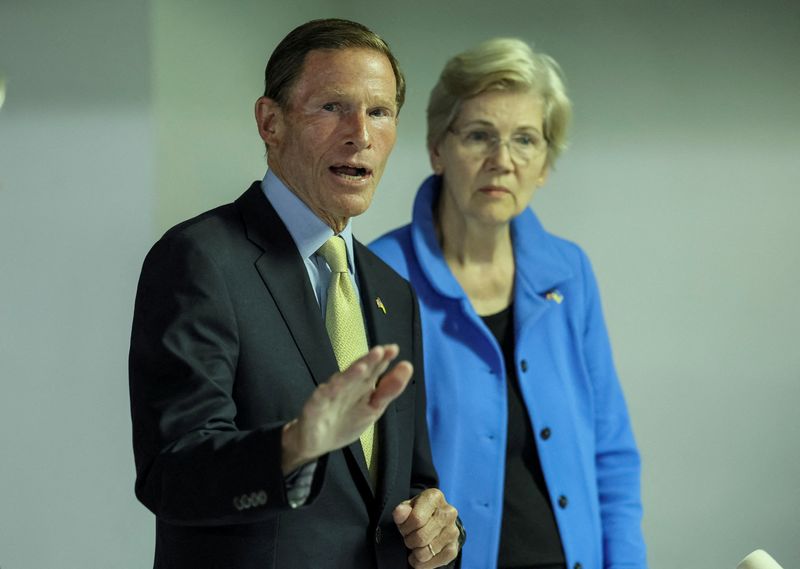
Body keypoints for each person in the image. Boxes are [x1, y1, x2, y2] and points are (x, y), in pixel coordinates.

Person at [129, 18, 464, 569]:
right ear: (270, 121)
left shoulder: (392, 291)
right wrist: (293, 445)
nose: (360, 132)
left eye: (379, 112)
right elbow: (173, 473)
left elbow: (408, 486)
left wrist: (438, 532)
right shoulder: (200, 260)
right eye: (332, 107)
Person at [370, 38, 647, 569]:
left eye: (525, 140)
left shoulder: (570, 272)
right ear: (436, 148)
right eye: (479, 136)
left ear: (545, 163)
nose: (503, 161)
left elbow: (610, 453)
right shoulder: (379, 277)